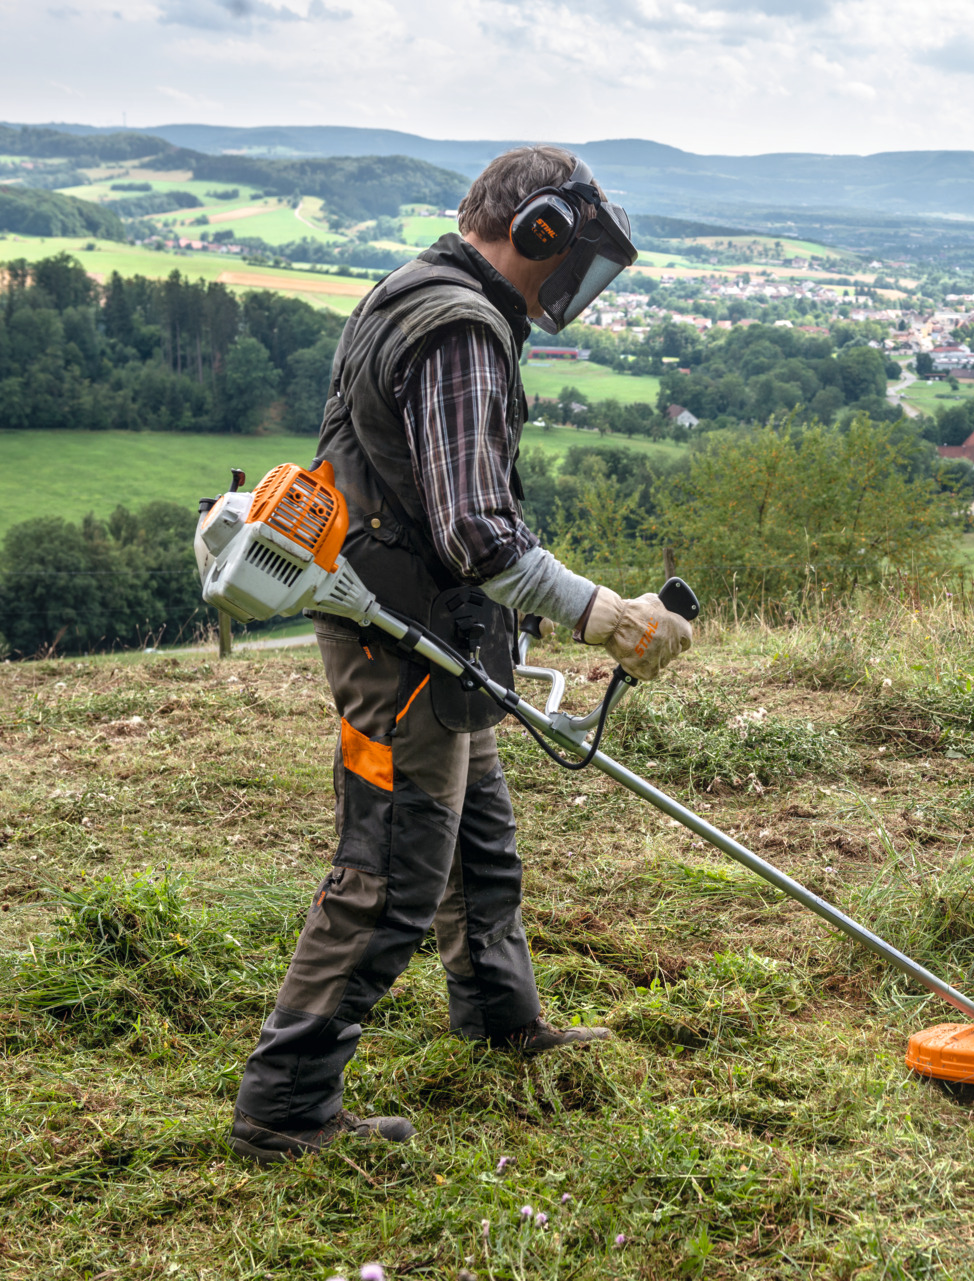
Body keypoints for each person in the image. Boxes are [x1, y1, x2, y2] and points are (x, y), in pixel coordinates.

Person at [228, 146, 691, 1163]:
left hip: (432, 631)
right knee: (390, 873)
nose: (575, 283)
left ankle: (497, 1013)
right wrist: (606, 614)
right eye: (573, 255)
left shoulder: (418, 289)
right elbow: (477, 534)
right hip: (399, 641)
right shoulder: (462, 329)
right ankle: (285, 1107)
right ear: (540, 233)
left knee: (478, 843)